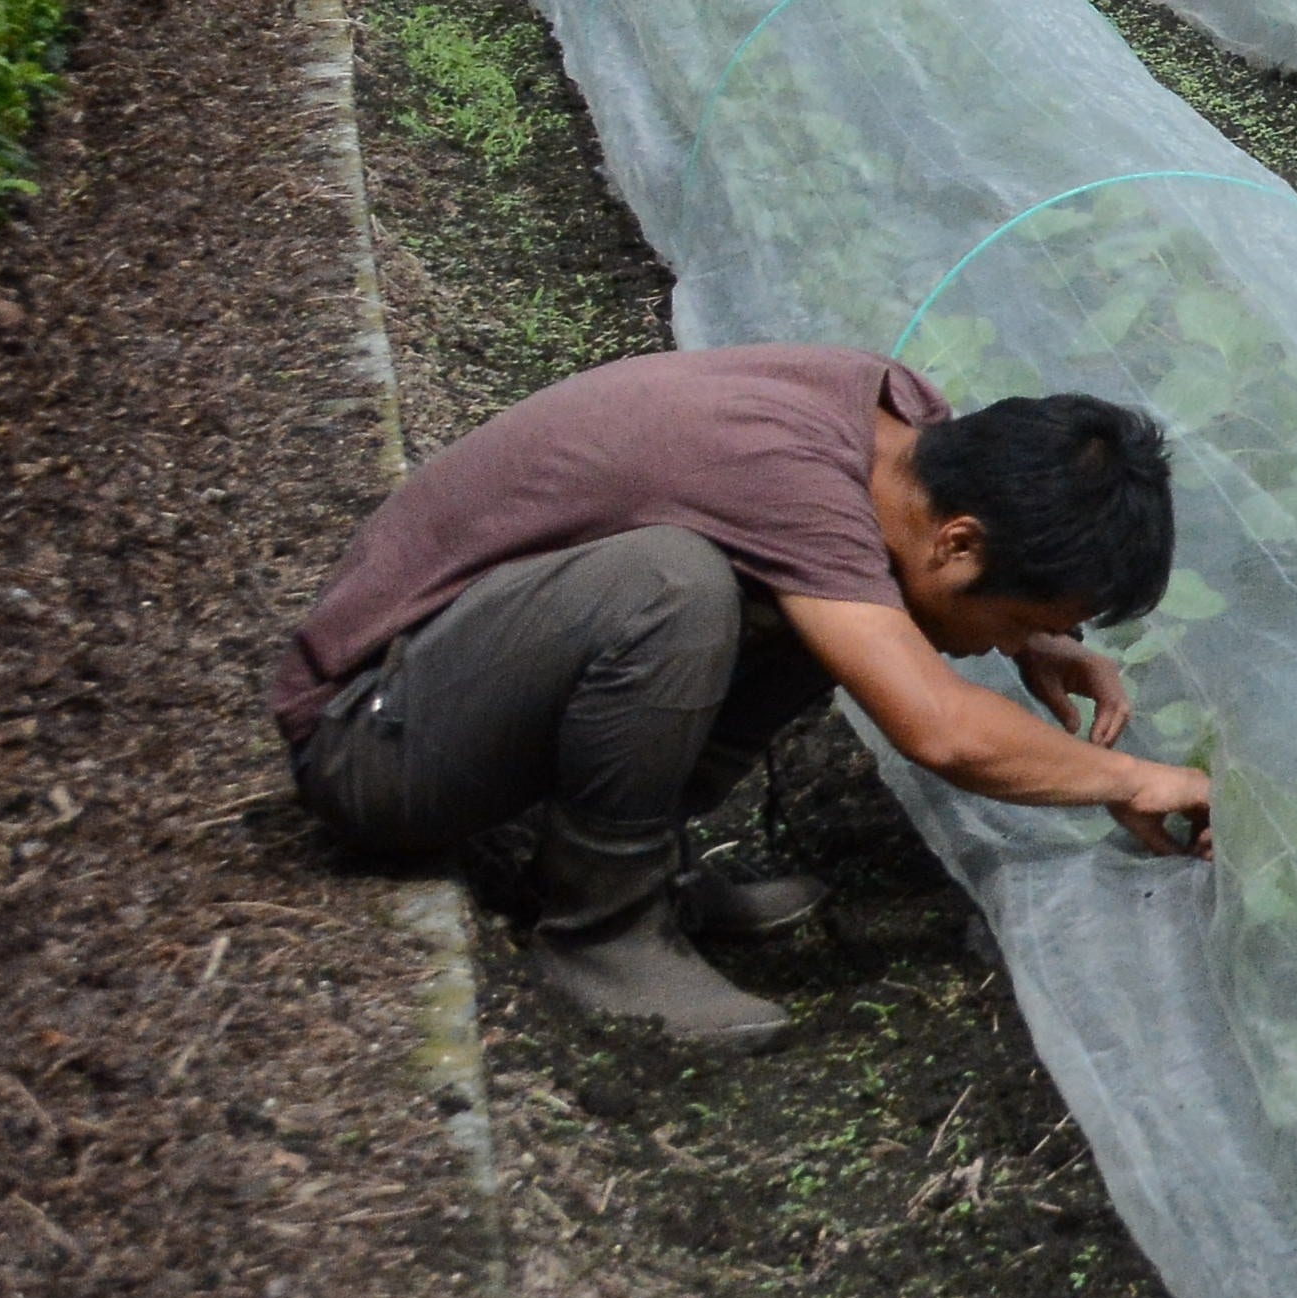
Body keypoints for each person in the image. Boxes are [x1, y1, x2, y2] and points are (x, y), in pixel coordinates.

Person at [277, 347, 1209, 1050]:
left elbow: (894, 583)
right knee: (674, 588)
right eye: (1025, 617)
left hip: (461, 688)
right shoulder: (790, 482)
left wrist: (1028, 634)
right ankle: (602, 929)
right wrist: (1128, 778)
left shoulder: (895, 430)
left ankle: (637, 867)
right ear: (961, 544)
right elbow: (940, 732)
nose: (1018, 642)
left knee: (836, 604)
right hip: (373, 741)